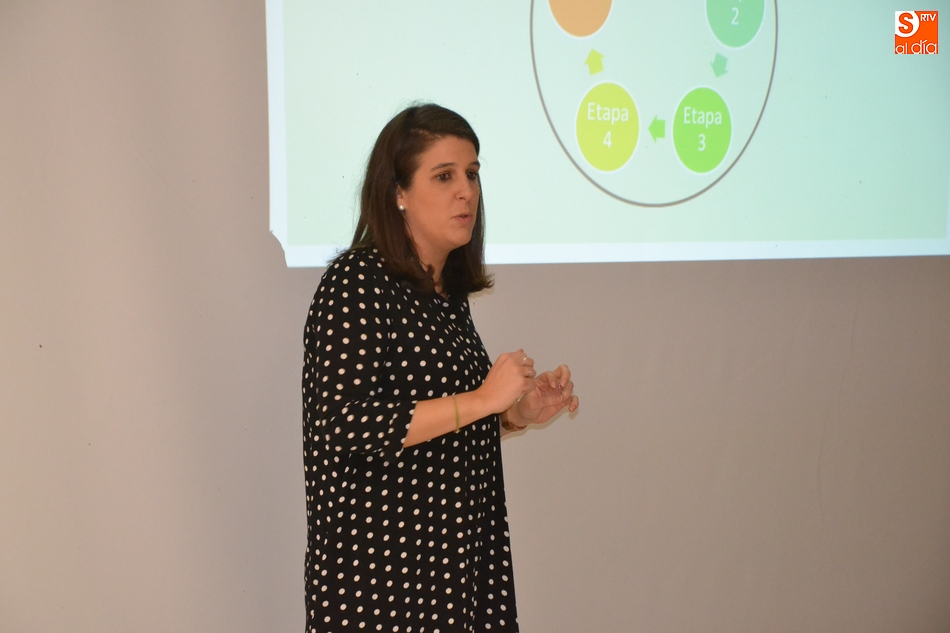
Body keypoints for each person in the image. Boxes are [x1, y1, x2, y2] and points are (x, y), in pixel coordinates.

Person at [301, 103, 579, 633]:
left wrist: (514, 413)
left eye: (472, 174)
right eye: (445, 176)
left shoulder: (445, 295)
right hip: (384, 585)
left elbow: (435, 429)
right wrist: (483, 399)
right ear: (398, 193)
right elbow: (345, 424)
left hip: (458, 571)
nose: (466, 192)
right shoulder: (356, 282)